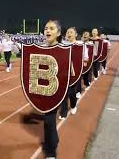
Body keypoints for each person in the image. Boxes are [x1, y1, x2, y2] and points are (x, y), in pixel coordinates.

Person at [41, 20, 62, 159]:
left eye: (52, 28)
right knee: (47, 119)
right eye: (46, 28)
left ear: (58, 33)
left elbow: (71, 71)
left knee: (49, 120)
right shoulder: (40, 48)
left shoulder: (64, 49)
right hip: (42, 88)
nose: (47, 30)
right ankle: (50, 142)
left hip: (56, 89)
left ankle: (51, 150)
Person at [59, 27, 79, 120]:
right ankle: (63, 112)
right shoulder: (62, 44)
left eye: (71, 32)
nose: (68, 34)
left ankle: (74, 105)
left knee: (71, 92)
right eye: (67, 32)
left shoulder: (79, 45)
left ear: (75, 34)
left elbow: (84, 57)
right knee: (63, 92)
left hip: (74, 73)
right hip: (63, 71)